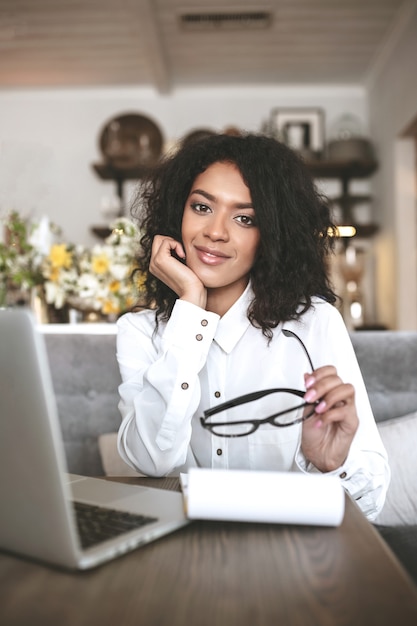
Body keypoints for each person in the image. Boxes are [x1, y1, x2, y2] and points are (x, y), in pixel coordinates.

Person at [116, 133, 390, 521]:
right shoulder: (140, 332)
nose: (216, 232)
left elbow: (372, 503)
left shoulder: (315, 323)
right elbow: (150, 462)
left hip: (292, 556)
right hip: (181, 555)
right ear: (178, 213)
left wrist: (329, 465)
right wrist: (190, 306)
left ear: (272, 235)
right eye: (201, 207)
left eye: (245, 218)